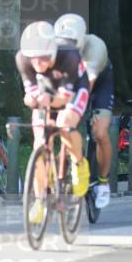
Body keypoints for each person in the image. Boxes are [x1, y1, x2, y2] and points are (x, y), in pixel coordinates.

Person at [16, 21, 91, 224]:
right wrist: (31, 100)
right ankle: (40, 200)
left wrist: (46, 100)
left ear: (53, 50)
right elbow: (32, 96)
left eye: (43, 57)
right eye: (34, 59)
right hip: (47, 89)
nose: (38, 63)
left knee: (65, 123)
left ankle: (79, 164)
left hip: (74, 89)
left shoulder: (69, 55)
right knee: (39, 142)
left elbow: (63, 98)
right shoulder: (23, 59)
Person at [53, 13, 114, 209]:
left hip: (96, 82)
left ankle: (103, 182)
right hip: (70, 82)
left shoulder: (95, 47)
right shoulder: (55, 47)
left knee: (100, 132)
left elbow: (87, 85)